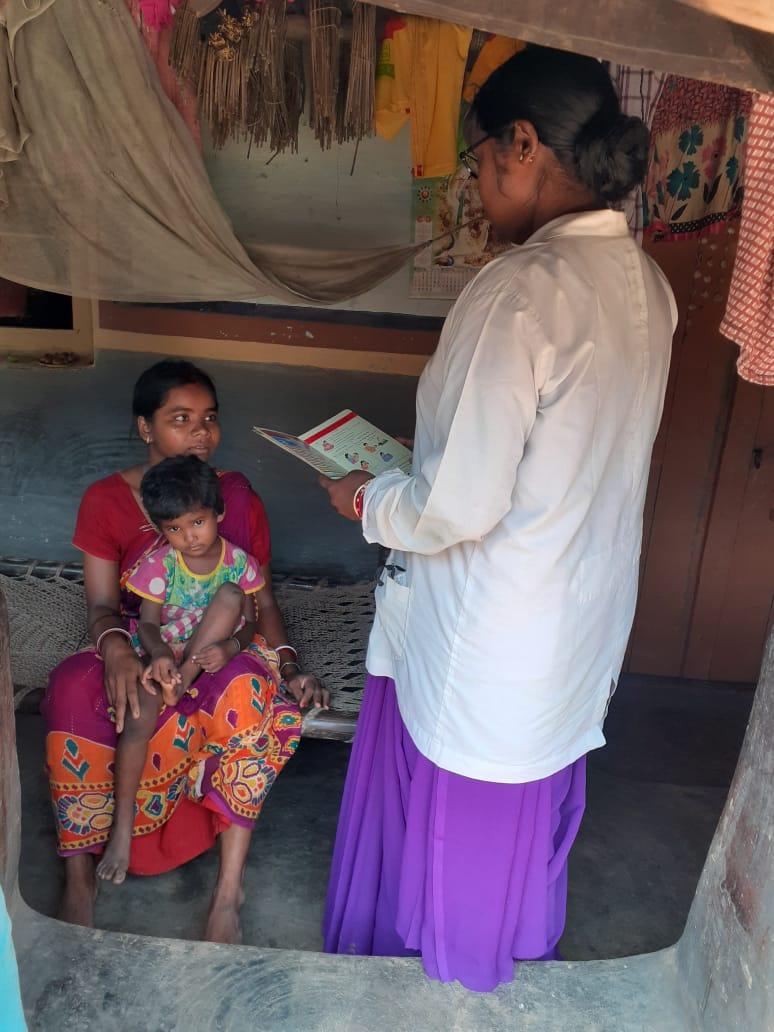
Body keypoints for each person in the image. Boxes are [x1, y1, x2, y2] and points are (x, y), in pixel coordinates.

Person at [320, 46, 677, 992]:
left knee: (462, 828)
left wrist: (370, 499)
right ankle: (496, 966)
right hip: (575, 616)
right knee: (522, 819)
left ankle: (444, 990)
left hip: (494, 629)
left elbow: (459, 506)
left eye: (479, 160)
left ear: (523, 145)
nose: (474, 185)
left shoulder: (520, 290)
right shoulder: (645, 287)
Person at [43, 360, 328, 944]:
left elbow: (259, 602)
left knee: (250, 696)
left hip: (221, 641)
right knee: (73, 689)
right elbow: (101, 605)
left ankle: (228, 891)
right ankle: (79, 870)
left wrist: (291, 665)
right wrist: (121, 649)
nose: (201, 434)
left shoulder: (233, 499)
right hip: (142, 640)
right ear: (145, 428)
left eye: (209, 420)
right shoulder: (105, 500)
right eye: (181, 420)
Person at [96, 456, 267, 886]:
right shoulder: (161, 565)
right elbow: (149, 625)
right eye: (174, 528)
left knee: (230, 595)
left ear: (218, 516)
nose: (188, 538)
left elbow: (250, 624)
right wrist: (157, 656)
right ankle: (121, 831)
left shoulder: (239, 564)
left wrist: (230, 646)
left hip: (203, 655)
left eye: (197, 523)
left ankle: (184, 680)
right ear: (160, 529)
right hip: (166, 650)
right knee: (137, 722)